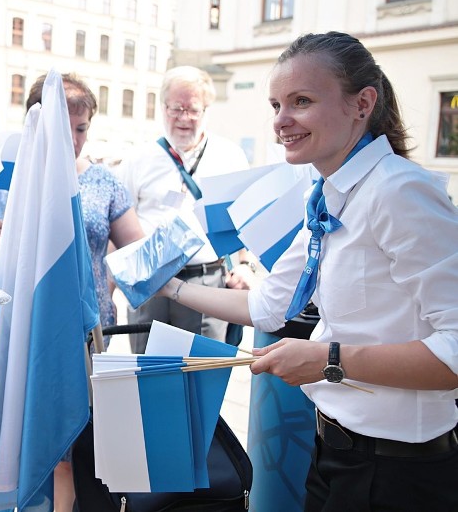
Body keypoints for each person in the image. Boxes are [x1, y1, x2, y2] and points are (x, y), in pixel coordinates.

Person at [159, 32, 457, 511]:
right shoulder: (326, 194)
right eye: (276, 104)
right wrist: (169, 285)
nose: (281, 121)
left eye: (301, 101)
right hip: (333, 453)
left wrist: (329, 359)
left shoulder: (399, 192)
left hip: (399, 474)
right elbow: (269, 304)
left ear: (362, 103)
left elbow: (454, 353)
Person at [0, 73, 145, 512]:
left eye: (82, 129)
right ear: (36, 123)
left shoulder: (102, 183)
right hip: (19, 333)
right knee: (23, 438)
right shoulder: (3, 182)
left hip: (86, 336)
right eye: (66, 127)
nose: (74, 139)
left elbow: (137, 250)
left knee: (73, 450)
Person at [116, 65, 259, 351]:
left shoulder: (229, 156)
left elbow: (242, 221)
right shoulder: (138, 158)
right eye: (176, 109)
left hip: (208, 280)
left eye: (193, 109)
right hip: (151, 281)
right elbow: (118, 221)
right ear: (163, 107)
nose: (184, 118)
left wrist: (245, 265)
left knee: (203, 373)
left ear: (206, 109)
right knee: (149, 371)